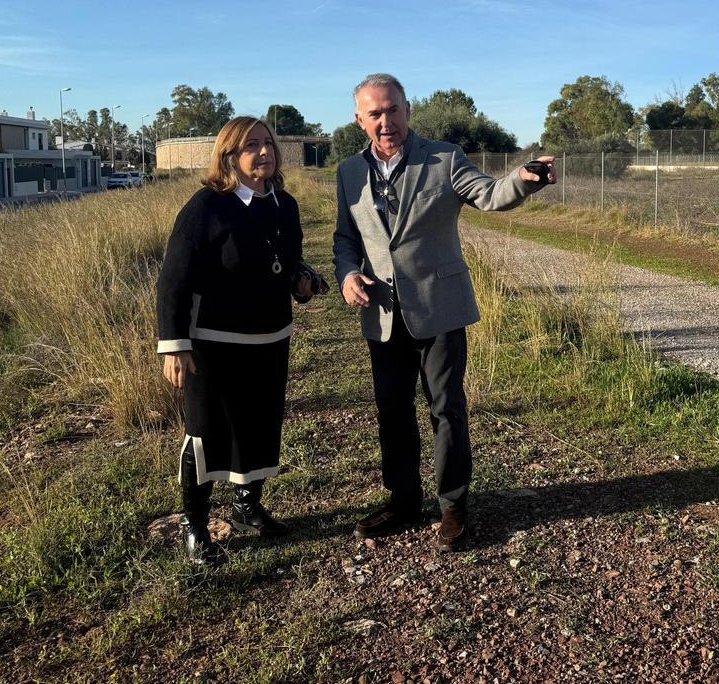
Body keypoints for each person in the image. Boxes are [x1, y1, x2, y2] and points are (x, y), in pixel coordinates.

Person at [332, 73, 554, 551]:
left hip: (440, 308)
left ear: (407, 110)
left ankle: (453, 506)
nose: (386, 121)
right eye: (375, 114)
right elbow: (345, 239)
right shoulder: (349, 172)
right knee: (392, 411)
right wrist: (348, 274)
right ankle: (403, 501)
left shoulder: (444, 158)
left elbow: (489, 193)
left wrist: (522, 180)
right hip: (382, 313)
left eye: (393, 110)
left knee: (446, 408)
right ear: (359, 120)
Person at [157, 116, 323, 565]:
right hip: (212, 344)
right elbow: (173, 279)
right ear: (228, 155)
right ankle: (196, 528)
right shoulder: (206, 207)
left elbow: (285, 264)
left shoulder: (285, 204)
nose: (264, 152)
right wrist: (175, 344)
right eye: (251, 145)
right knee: (205, 432)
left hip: (271, 337)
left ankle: (247, 507)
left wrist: (301, 282)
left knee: (259, 427)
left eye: (268, 143)